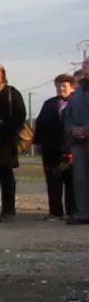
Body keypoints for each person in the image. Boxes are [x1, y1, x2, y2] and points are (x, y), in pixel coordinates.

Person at [0, 60, 26, 222]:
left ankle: (8, 210)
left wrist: (5, 123)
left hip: (5, 141)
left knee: (6, 176)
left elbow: (19, 115)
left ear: (2, 75)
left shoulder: (9, 92)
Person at [34, 75, 78, 222]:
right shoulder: (49, 104)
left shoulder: (77, 103)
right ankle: (55, 212)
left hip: (72, 149)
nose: (60, 88)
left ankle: (73, 211)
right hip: (51, 149)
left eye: (64, 86)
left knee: (72, 183)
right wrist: (37, 143)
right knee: (53, 182)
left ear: (72, 87)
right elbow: (40, 124)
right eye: (58, 86)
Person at [63, 57, 89, 226]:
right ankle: (83, 213)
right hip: (78, 142)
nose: (83, 65)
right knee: (80, 179)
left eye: (87, 64)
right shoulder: (79, 90)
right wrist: (72, 128)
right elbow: (68, 114)